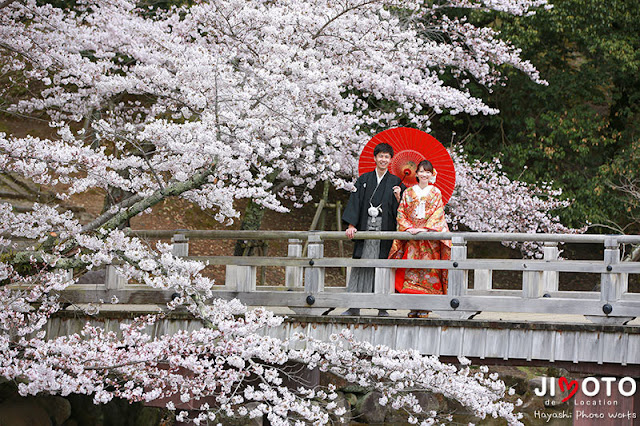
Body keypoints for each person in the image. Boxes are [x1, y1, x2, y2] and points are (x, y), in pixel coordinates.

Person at [341, 142, 405, 316]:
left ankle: (382, 307)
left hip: (384, 230)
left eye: (386, 157)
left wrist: (399, 197)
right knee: (361, 265)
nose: (383, 159)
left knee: (383, 266)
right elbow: (355, 202)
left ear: (391, 160)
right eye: (380, 156)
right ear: (375, 158)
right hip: (365, 228)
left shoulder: (396, 182)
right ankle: (354, 306)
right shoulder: (364, 179)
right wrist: (352, 224)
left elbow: (403, 210)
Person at [388, 160, 451, 318]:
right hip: (413, 237)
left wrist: (424, 229)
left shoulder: (435, 192)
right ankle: (413, 305)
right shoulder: (409, 192)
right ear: (416, 174)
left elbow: (438, 214)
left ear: (432, 174)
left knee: (429, 271)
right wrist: (409, 228)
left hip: (429, 238)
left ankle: (426, 307)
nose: (424, 174)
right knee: (412, 271)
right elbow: (402, 211)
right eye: (421, 171)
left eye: (427, 172)